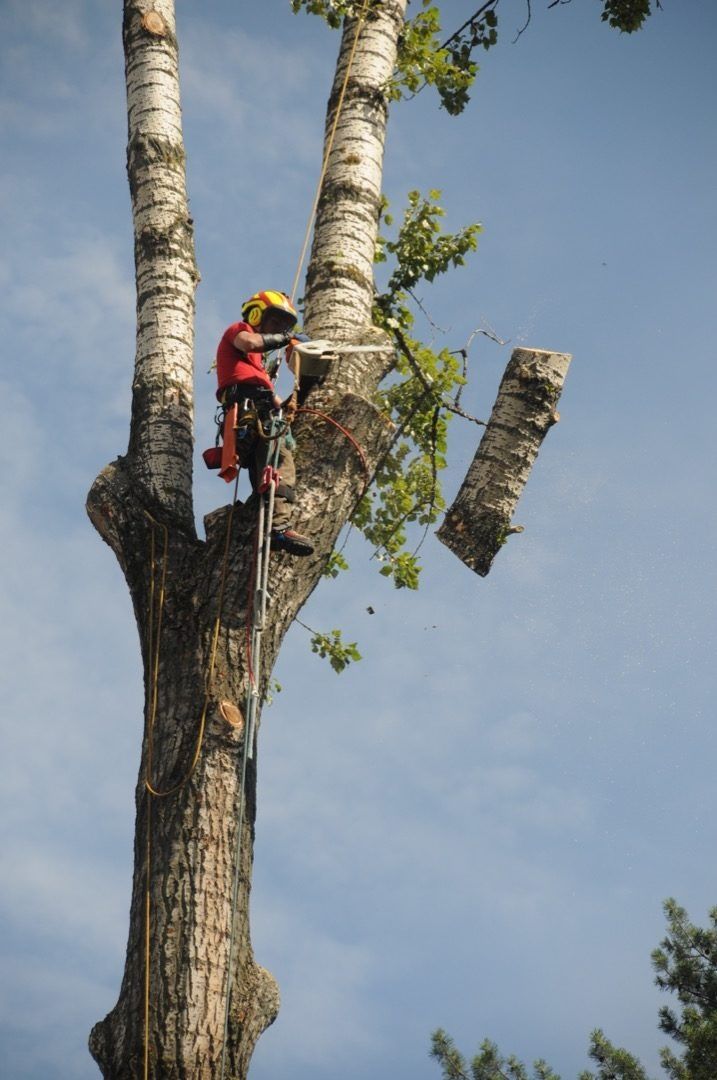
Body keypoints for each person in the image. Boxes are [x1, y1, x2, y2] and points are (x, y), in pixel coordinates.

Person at [215, 290, 314, 556]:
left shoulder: (260, 370)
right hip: (248, 411)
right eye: (276, 322)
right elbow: (250, 342)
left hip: (263, 413)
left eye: (285, 326)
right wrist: (284, 339)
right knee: (280, 462)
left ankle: (271, 520)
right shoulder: (239, 331)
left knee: (274, 468)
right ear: (257, 314)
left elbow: (280, 404)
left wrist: (306, 384)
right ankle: (279, 528)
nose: (281, 330)